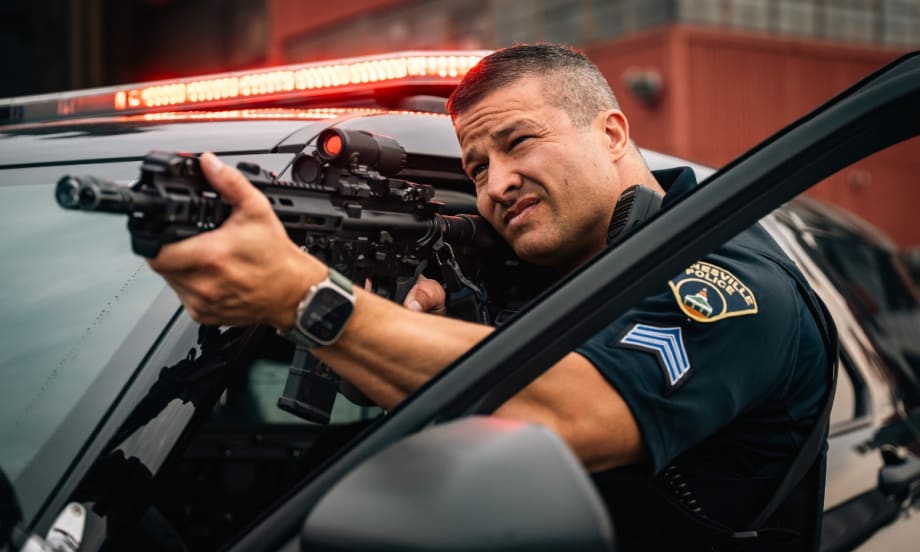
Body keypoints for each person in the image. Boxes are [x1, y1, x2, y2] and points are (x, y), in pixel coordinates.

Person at [148, 44, 835, 550]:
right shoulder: (536, 276)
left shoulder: (726, 280)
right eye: (477, 166)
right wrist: (411, 328)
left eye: (519, 143)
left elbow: (564, 418)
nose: (496, 184)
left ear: (613, 132)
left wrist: (302, 299)